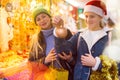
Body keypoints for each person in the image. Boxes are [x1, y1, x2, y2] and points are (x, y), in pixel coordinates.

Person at [53, 0, 111, 80]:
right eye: (86, 16)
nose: (88, 20)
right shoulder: (80, 35)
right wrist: (59, 30)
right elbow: (63, 52)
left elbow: (117, 65)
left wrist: (96, 64)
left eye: (92, 16)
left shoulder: (109, 36)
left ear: (101, 17)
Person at [28, 5, 74, 80]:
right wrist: (45, 60)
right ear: (36, 23)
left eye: (44, 16)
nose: (42, 20)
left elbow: (76, 54)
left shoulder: (63, 32)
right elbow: (31, 64)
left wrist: (70, 59)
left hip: (65, 76)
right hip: (46, 77)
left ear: (49, 17)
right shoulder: (36, 40)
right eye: (38, 19)